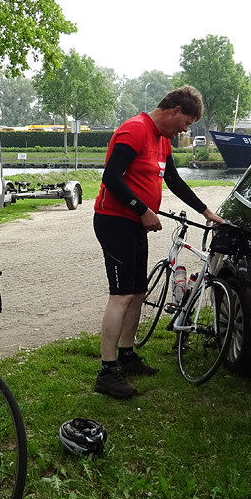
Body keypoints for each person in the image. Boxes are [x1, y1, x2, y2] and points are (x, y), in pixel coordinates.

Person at [92, 86, 224, 400]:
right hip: (115, 221)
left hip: (135, 224)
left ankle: (126, 355)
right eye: (186, 123)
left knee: (138, 292)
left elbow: (174, 181)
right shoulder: (135, 130)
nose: (185, 130)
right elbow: (111, 177)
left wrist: (205, 211)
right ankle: (107, 371)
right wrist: (142, 210)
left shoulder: (162, 140)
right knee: (122, 295)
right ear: (175, 110)